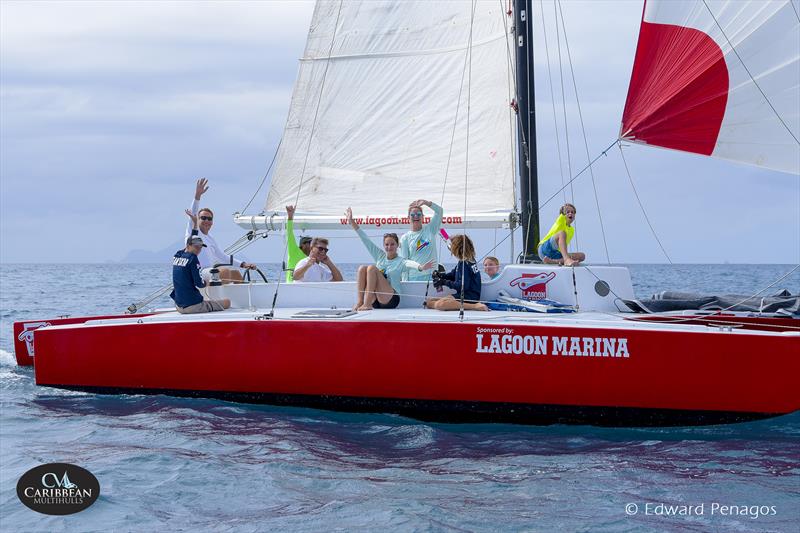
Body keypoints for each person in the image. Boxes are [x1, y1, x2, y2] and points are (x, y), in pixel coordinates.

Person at [345, 207, 434, 310]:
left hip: (392, 299)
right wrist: (352, 222)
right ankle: (360, 302)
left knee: (372, 268)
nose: (389, 247)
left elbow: (410, 263)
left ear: (397, 245)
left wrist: (421, 267)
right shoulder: (380, 256)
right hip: (377, 301)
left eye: (392, 244)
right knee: (362, 268)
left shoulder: (401, 261)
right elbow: (365, 239)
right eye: (387, 244)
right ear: (383, 245)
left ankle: (367, 304)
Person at [187, 178, 258, 282]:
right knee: (224, 272)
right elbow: (193, 213)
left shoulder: (210, 238)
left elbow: (222, 256)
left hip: (209, 272)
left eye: (209, 218)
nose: (206, 220)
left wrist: (243, 264)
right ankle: (216, 297)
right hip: (198, 272)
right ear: (197, 219)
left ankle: (239, 298)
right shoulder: (193, 232)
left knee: (236, 274)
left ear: (212, 222)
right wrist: (197, 196)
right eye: (203, 218)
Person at [171, 210, 231, 314]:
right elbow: (199, 284)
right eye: (196, 247)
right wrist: (207, 283)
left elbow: (191, 238)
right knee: (227, 302)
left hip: (179, 306)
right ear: (189, 245)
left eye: (200, 247)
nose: (198, 250)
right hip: (193, 306)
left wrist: (195, 223)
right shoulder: (193, 259)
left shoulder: (177, 255)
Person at [425, 234, 488, 312]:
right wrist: (441, 275)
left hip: (469, 297)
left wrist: (444, 282)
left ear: (458, 249)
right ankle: (445, 303)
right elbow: (452, 275)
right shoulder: (466, 261)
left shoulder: (465, 264)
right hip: (465, 295)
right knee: (429, 302)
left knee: (439, 305)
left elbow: (462, 286)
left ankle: (475, 306)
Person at [399, 199, 443, 281]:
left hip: (432, 275)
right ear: (408, 217)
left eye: (419, 214)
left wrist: (426, 203)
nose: (416, 216)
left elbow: (440, 211)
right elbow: (404, 262)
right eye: (413, 215)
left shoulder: (430, 229)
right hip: (413, 278)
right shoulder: (405, 238)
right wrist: (405, 282)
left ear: (423, 217)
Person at [285, 205, 313, 282]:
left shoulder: (313, 257)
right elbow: (289, 233)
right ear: (303, 245)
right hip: (291, 287)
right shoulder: (294, 251)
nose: (312, 245)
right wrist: (290, 217)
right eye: (310, 243)